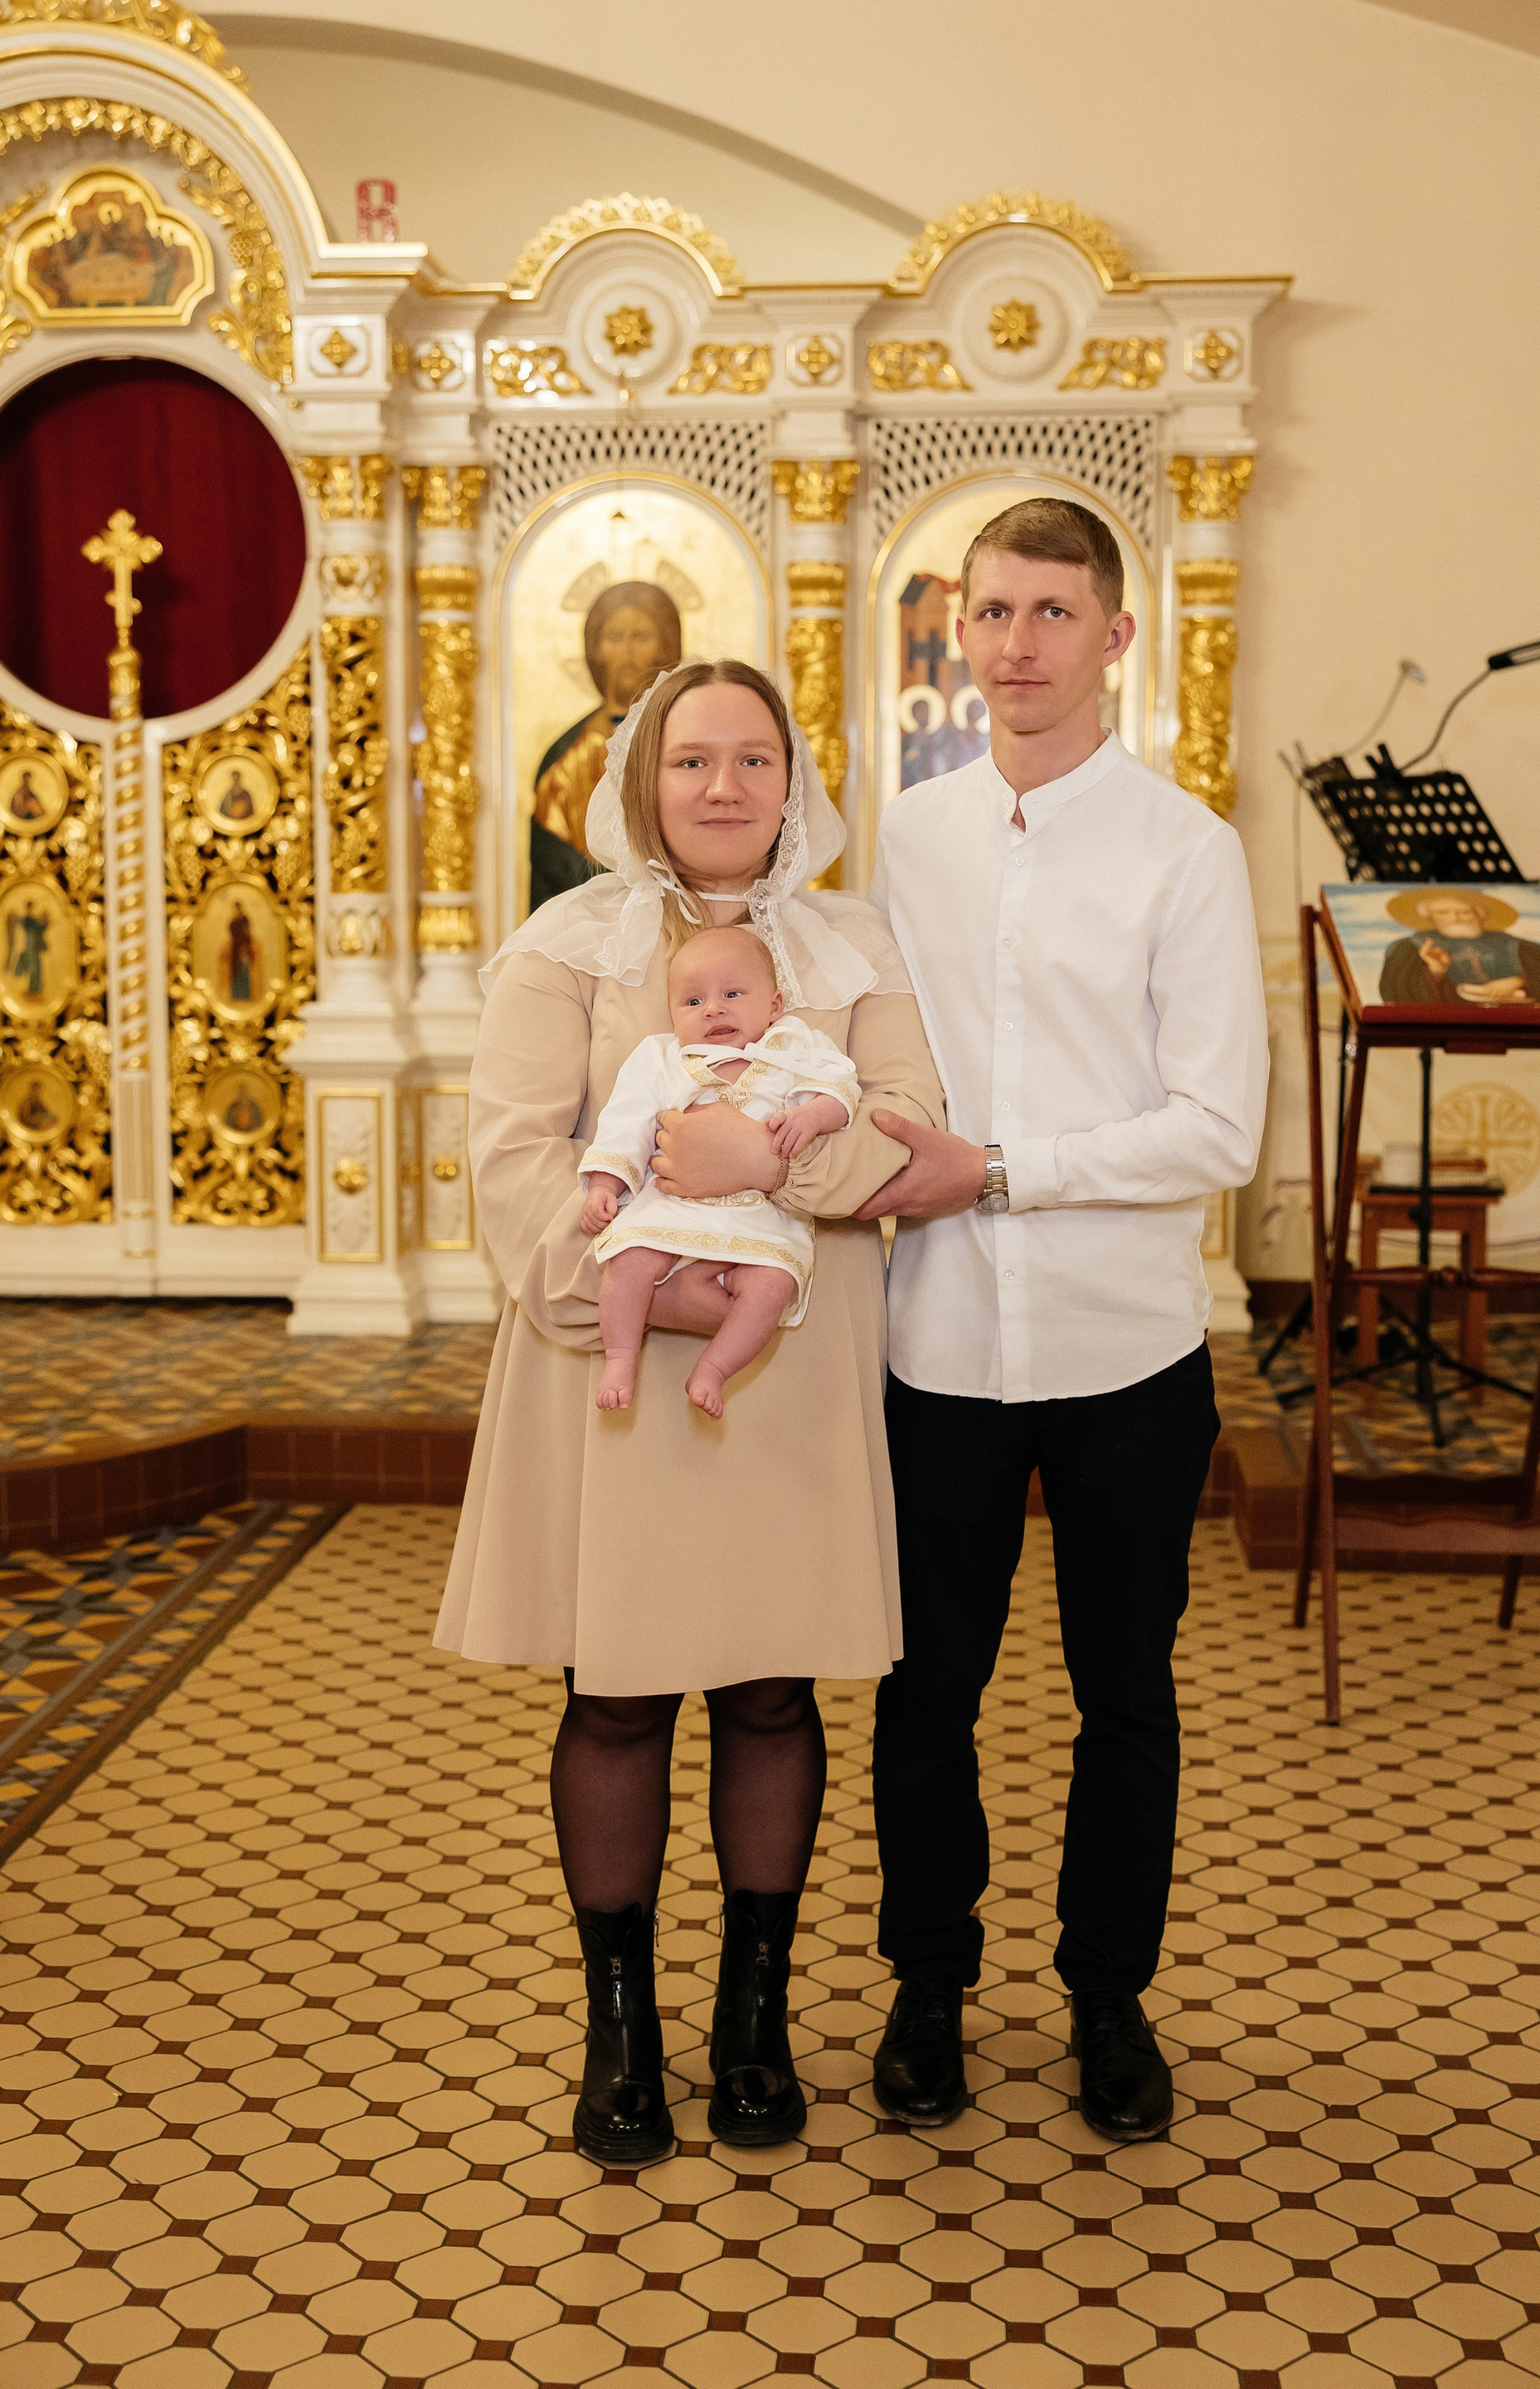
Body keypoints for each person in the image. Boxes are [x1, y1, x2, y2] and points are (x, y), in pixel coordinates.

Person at [435, 658, 942, 2167]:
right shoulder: (566, 946)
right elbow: (513, 1162)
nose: (724, 786)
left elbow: (911, 1132)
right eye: (691, 760)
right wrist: (655, 1293)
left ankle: (754, 2018)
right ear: (641, 778)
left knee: (774, 1694)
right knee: (616, 1697)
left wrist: (762, 1166)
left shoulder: (854, 945)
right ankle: (621, 2030)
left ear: (796, 783)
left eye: (754, 760)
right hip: (615, 1367)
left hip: (791, 1370)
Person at [860, 497, 1269, 2143]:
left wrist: (1001, 1172)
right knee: (923, 1694)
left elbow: (1218, 1128)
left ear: (1116, 634)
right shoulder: (911, 838)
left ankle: (1110, 1996)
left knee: (1127, 1697)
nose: (1017, 643)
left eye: (1051, 611)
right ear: (960, 633)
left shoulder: (1187, 849)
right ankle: (926, 1988)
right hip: (939, 1345)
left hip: (1124, 1352)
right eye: (992, 611)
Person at [579, 924, 858, 1416]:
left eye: (732, 994)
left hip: (762, 1211)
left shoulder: (793, 1047)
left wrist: (814, 1115)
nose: (712, 1009)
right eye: (693, 1001)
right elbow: (625, 1122)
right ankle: (621, 1356)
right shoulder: (661, 1058)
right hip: (673, 1204)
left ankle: (715, 1368)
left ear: (774, 1005)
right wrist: (606, 1183)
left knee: (772, 1284)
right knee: (628, 1260)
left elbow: (841, 1086)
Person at [529, 580, 683, 911]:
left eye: (641, 636)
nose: (627, 651)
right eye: (614, 637)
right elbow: (551, 873)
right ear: (596, 649)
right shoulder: (565, 762)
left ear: (665, 647)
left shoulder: (686, 744)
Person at [1378, 890, 1540, 1006]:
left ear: (1480, 914)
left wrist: (1521, 981)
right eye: (1443, 912)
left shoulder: (1518, 947)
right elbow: (1397, 994)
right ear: (1430, 917)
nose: (1454, 918)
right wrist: (1436, 972)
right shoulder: (1410, 948)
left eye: (1464, 912)